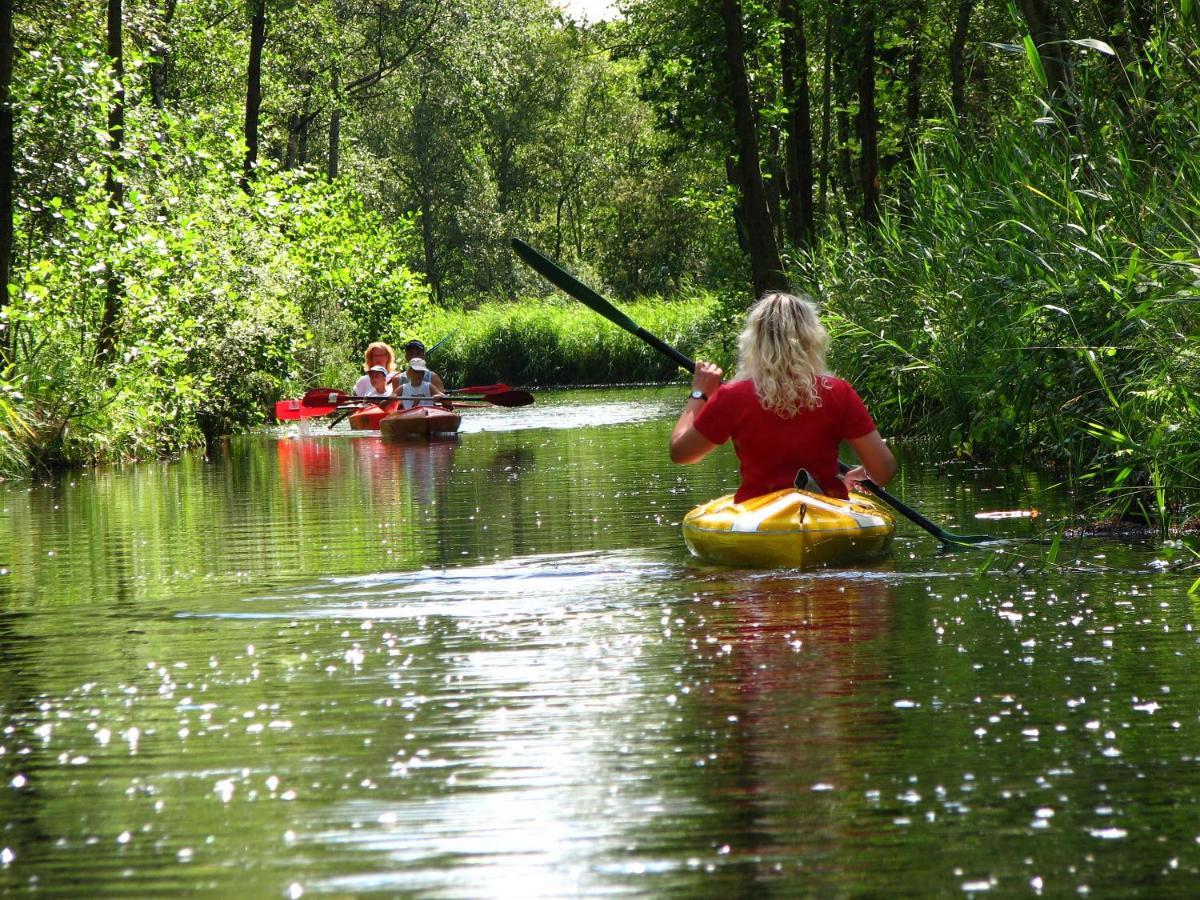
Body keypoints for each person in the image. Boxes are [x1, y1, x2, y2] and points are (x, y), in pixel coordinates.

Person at [669, 291, 896, 501]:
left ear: (754, 342)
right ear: (812, 339)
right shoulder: (838, 392)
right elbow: (883, 471)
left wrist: (699, 393)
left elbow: (681, 453)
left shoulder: (733, 396)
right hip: (827, 508)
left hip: (759, 514)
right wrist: (862, 472)